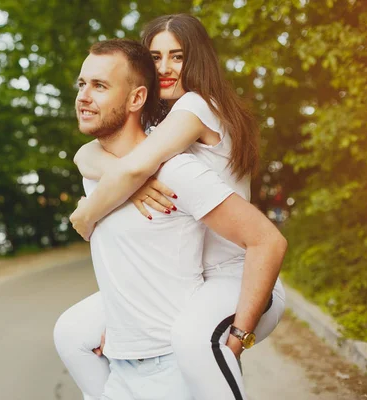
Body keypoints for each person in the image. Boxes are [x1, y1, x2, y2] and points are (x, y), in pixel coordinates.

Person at [55, 14, 286, 400]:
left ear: (198, 61)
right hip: (191, 278)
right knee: (73, 332)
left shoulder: (197, 106)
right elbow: (95, 152)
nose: (163, 68)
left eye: (176, 57)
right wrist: (119, 178)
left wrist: (87, 212)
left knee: (194, 342)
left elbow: (138, 164)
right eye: (155, 57)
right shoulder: (160, 122)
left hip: (238, 275)